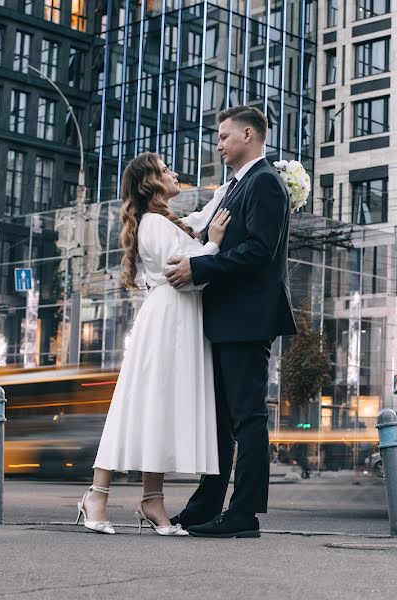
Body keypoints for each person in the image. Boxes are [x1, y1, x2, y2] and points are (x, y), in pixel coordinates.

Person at [76, 152, 232, 536]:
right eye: (166, 170)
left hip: (175, 320)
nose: (175, 172)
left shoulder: (162, 221)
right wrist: (212, 246)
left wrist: (227, 190)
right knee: (139, 405)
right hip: (168, 319)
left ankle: (152, 500)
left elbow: (195, 222)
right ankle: (96, 494)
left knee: (156, 408)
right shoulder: (153, 224)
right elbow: (184, 274)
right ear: (151, 182)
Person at [166, 106, 297, 538]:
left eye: (223, 136)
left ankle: (244, 515)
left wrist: (198, 270)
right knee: (220, 422)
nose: (218, 144)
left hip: (247, 319)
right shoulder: (238, 186)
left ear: (247, 134)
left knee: (247, 418)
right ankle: (205, 506)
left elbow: (260, 251)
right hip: (227, 318)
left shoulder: (265, 184)